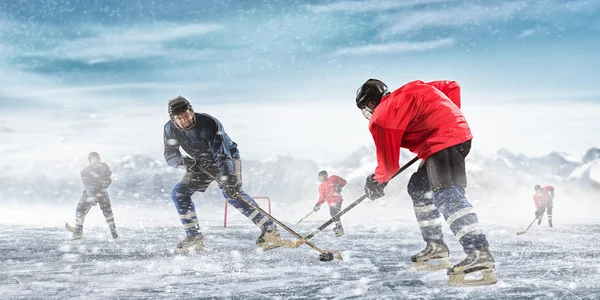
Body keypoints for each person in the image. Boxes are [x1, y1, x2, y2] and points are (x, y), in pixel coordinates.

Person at [355, 78, 497, 286]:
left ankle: (479, 253)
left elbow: (388, 166)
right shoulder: (413, 87)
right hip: (445, 139)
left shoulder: (381, 118)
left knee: (446, 193)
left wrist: (376, 182)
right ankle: (436, 246)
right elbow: (451, 86)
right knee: (419, 187)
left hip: (445, 141)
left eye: (365, 108)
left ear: (370, 104)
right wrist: (444, 118)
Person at [163, 96, 293, 253]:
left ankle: (270, 230)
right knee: (179, 193)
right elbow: (170, 155)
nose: (184, 120)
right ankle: (194, 237)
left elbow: (222, 154)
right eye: (179, 118)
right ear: (173, 119)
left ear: (191, 111)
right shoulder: (169, 129)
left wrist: (230, 179)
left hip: (228, 158)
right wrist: (185, 162)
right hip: (201, 164)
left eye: (186, 115)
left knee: (232, 193)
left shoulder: (209, 124)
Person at [69, 152, 118, 240]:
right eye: (93, 158)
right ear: (90, 160)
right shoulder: (84, 171)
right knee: (80, 209)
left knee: (108, 213)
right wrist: (92, 197)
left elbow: (109, 179)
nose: (96, 160)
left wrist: (104, 186)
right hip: (89, 192)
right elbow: (87, 185)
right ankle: (78, 231)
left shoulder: (104, 167)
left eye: (97, 158)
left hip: (102, 192)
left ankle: (114, 233)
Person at [313, 170, 347, 237]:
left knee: (333, 212)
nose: (320, 178)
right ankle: (339, 227)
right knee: (334, 214)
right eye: (319, 177)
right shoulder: (321, 187)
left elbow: (344, 182)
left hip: (337, 199)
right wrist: (317, 204)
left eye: (321, 176)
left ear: (325, 175)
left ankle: (339, 227)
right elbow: (322, 198)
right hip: (330, 202)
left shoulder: (333, 178)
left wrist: (339, 185)